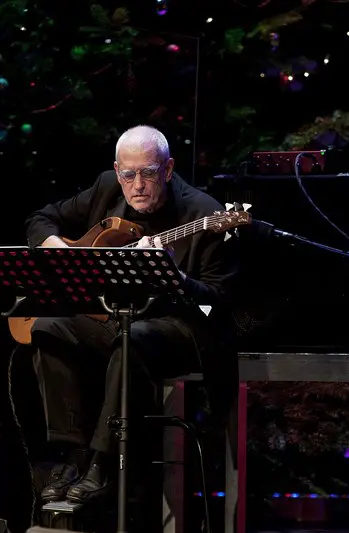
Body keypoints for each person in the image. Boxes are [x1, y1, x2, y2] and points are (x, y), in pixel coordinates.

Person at [25, 125, 239, 507]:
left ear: (168, 169)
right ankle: (71, 454)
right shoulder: (107, 188)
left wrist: (173, 277)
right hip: (117, 317)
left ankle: (104, 461)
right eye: (129, 174)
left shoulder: (205, 213)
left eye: (148, 173)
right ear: (117, 171)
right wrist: (56, 246)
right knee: (48, 327)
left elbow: (218, 304)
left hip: (181, 328)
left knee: (133, 338)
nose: (137, 184)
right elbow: (40, 219)